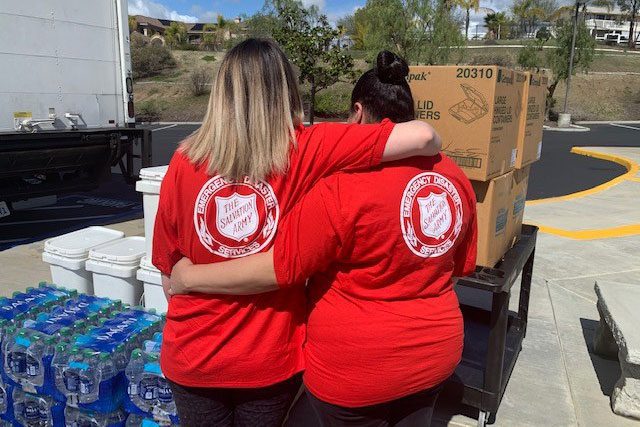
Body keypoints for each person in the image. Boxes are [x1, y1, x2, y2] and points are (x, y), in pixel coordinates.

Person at [167, 51, 478, 426]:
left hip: (209, 352)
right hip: (422, 353)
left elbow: (279, 267)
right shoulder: (310, 150)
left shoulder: (184, 162)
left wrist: (189, 278)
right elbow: (455, 269)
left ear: (359, 112)